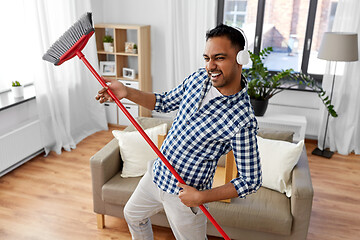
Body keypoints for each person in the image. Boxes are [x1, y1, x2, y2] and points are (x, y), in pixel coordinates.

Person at [95, 24, 262, 240]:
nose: (210, 66)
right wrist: (127, 92)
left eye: (219, 58)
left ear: (241, 59)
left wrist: (201, 197)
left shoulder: (242, 119)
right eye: (207, 58)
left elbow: (251, 180)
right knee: (133, 215)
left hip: (185, 196)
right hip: (156, 175)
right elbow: (163, 102)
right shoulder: (198, 79)